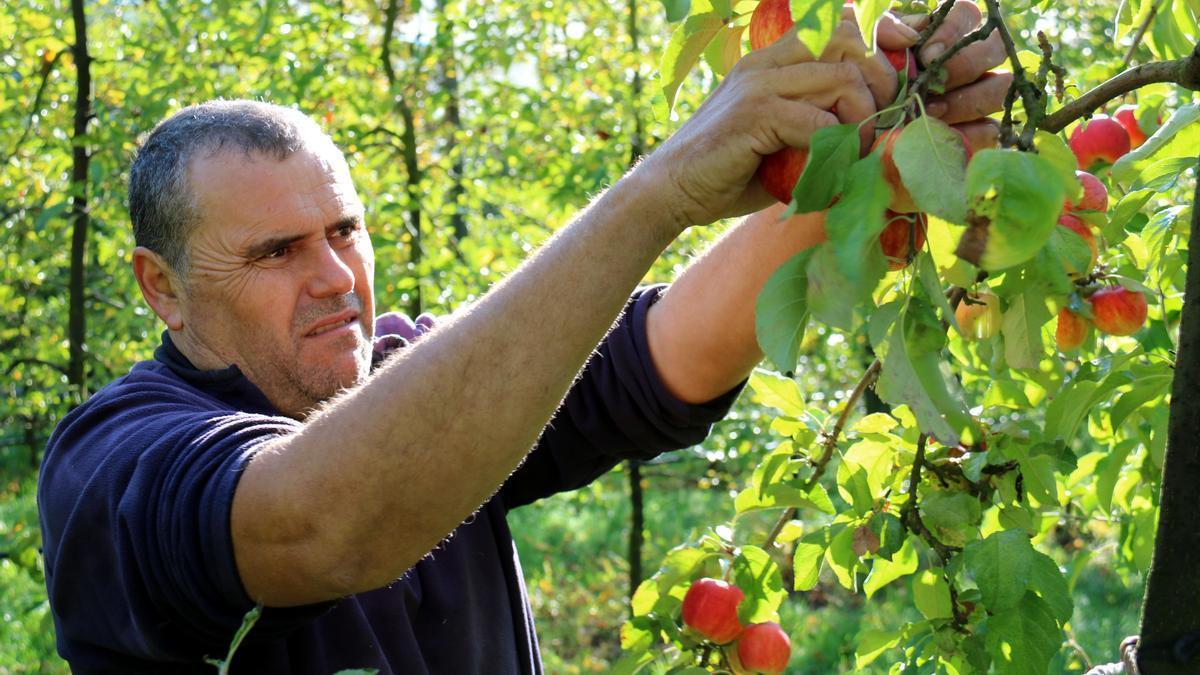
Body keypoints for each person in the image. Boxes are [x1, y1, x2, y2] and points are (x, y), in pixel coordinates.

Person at [37, 4, 1009, 672]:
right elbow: (322, 524)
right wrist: (659, 189)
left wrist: (882, 153)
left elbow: (669, 352)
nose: (334, 277)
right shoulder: (112, 462)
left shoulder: (427, 381)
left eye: (344, 232)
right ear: (161, 289)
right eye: (276, 252)